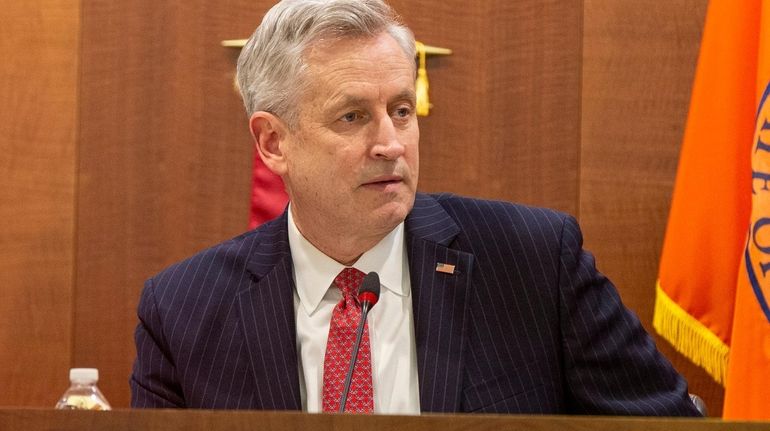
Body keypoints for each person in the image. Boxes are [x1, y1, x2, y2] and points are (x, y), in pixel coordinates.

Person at [130, 0, 701, 416]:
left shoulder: (535, 264)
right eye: (352, 116)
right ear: (274, 143)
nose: (392, 143)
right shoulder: (182, 310)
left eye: (401, 110)